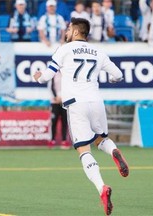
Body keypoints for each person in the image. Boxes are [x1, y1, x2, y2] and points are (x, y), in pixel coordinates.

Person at [33, 17, 129, 215]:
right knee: (102, 139)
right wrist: (111, 78)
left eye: (68, 28)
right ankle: (114, 152)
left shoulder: (64, 49)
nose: (66, 31)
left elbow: (46, 77)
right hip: (96, 101)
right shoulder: (99, 51)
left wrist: (38, 76)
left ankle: (102, 187)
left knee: (84, 150)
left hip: (76, 104)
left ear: (76, 32)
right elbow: (118, 74)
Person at [48, 72, 70, 149]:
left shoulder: (67, 73)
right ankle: (52, 140)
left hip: (65, 101)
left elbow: (69, 87)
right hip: (55, 102)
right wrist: (56, 97)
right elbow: (51, 87)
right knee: (54, 121)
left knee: (64, 121)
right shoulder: (53, 74)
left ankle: (64, 140)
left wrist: (63, 97)